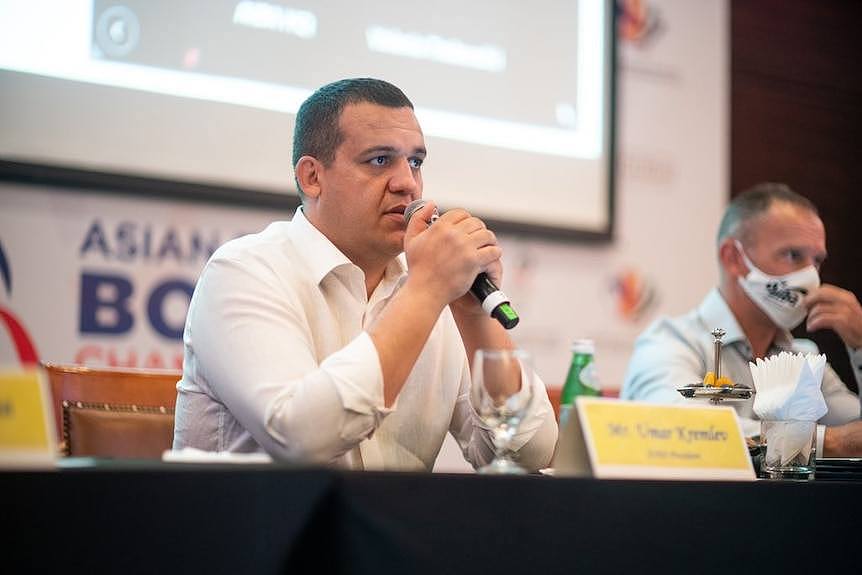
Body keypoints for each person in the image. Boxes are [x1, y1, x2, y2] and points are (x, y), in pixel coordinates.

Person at [172, 78, 557, 471]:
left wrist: (472, 314)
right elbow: (301, 439)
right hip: (265, 530)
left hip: (394, 530)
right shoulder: (243, 271)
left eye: (416, 162)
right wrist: (426, 291)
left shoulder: (431, 286)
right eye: (379, 160)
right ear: (312, 177)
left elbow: (530, 455)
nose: (407, 182)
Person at [621, 183, 862, 456]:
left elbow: (856, 430)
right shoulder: (670, 343)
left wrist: (861, 346)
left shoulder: (803, 358)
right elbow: (680, 428)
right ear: (733, 258)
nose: (810, 276)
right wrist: (829, 442)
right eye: (793, 255)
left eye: (816, 260)